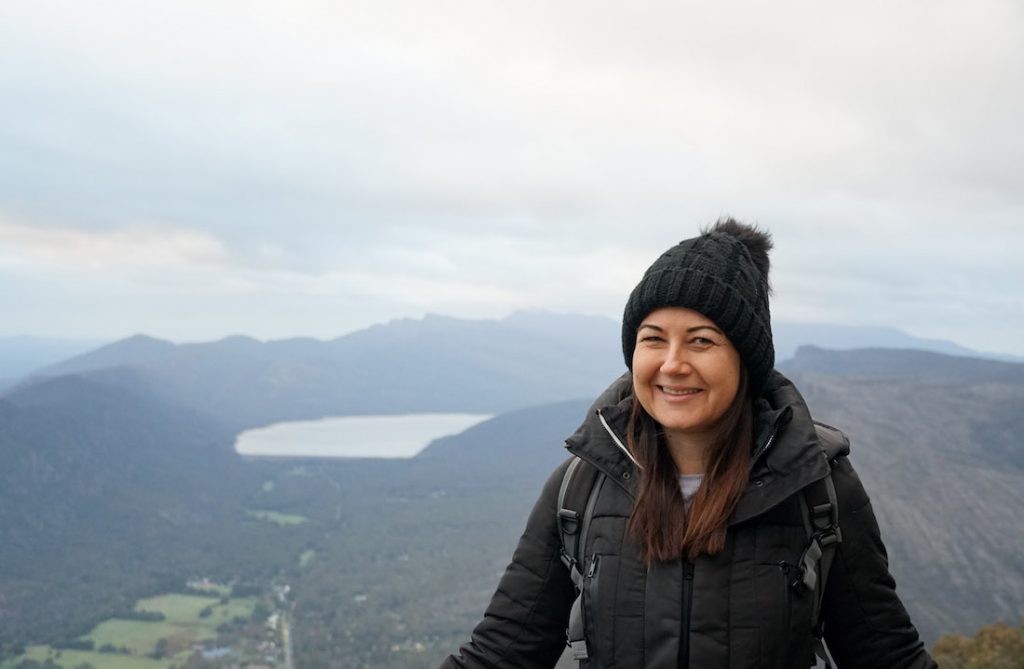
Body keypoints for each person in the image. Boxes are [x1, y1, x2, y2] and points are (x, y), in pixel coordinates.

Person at [439, 219, 936, 668]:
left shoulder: (818, 490)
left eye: (701, 341)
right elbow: (502, 652)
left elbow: (886, 654)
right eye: (653, 339)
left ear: (745, 360)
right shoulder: (579, 490)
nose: (672, 364)